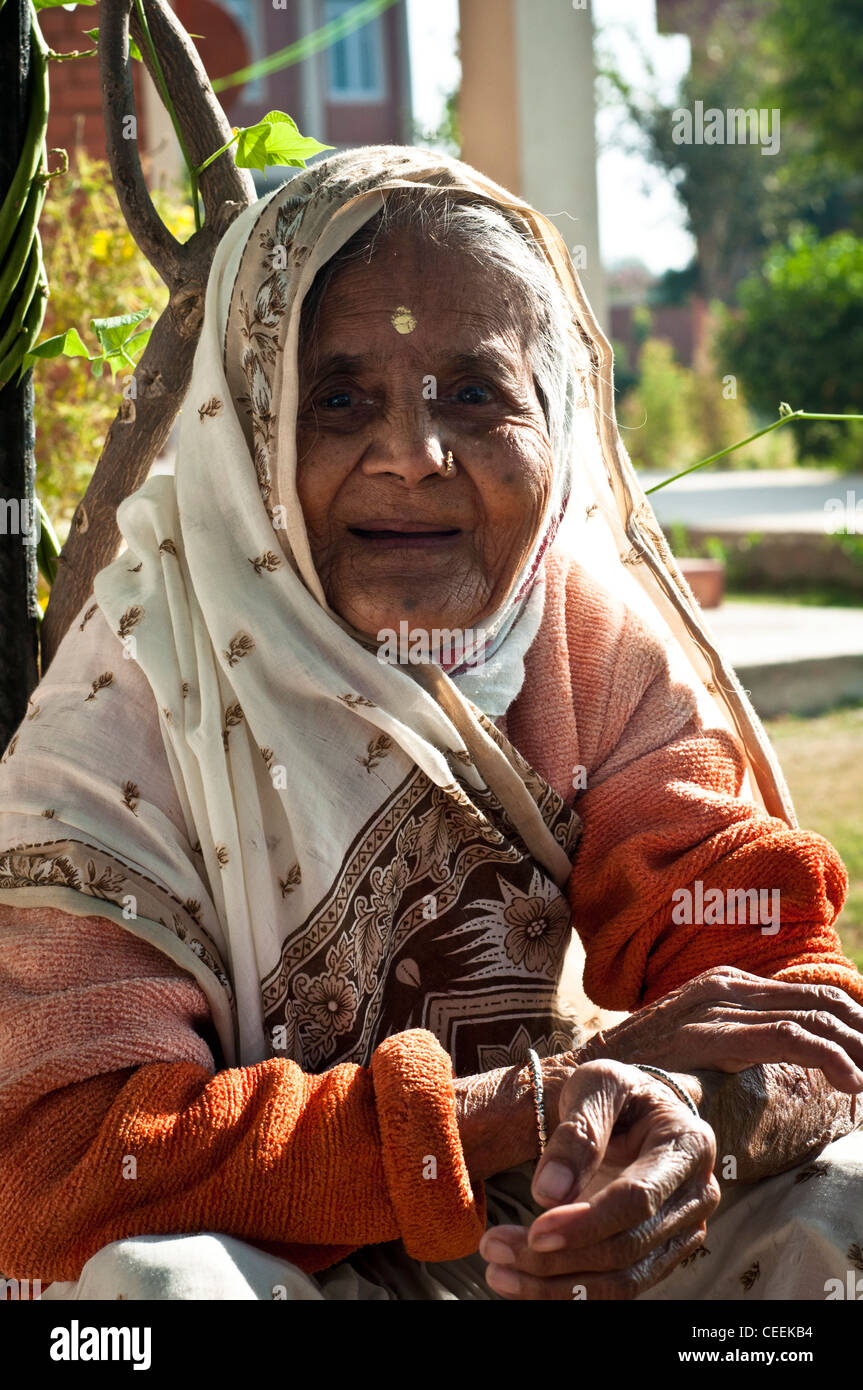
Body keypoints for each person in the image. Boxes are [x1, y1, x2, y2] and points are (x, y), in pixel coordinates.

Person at [1, 145, 861, 1302]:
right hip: (281, 1258)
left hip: (543, 1233)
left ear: (551, 429)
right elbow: (63, 1164)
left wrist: (680, 1131)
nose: (411, 456)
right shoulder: (133, 708)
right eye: (340, 398)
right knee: (159, 1290)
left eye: (473, 393)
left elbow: (781, 989)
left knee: (841, 1198)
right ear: (246, 431)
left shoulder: (573, 636)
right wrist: (521, 1109)